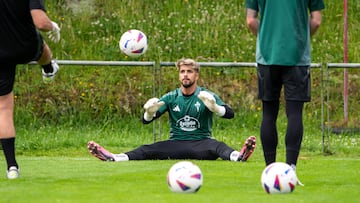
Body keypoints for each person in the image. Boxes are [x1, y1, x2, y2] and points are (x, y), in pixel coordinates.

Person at [87, 58, 256, 162]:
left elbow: (231, 114)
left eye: (189, 72)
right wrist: (149, 112)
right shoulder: (171, 97)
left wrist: (215, 108)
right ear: (178, 75)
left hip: (202, 144)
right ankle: (115, 158)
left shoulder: (205, 95)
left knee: (219, 147)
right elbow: (145, 121)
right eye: (182, 71)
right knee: (147, 149)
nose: (185, 75)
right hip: (176, 144)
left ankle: (238, 157)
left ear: (196, 75)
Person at [245, 0, 325, 171]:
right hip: (297, 57)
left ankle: (270, 169)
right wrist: (301, 37)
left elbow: (251, 20)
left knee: (268, 114)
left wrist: (268, 37)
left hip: (267, 56)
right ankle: (291, 168)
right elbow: (316, 20)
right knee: (295, 113)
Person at [0, 0, 61, 179]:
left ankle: (12, 167)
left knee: (3, 109)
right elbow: (41, 22)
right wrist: (53, 26)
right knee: (42, 49)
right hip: (24, 46)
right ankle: (48, 68)